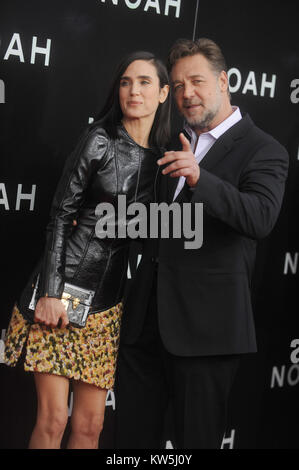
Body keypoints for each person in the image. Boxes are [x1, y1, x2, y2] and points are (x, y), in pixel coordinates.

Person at [114, 38, 289, 449]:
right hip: (145, 326)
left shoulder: (265, 149)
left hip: (207, 333)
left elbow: (259, 217)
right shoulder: (169, 141)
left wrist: (199, 178)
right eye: (176, 86)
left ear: (224, 81)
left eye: (196, 81)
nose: (186, 94)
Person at [4, 51, 170, 449]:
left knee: (91, 426)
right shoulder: (99, 139)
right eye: (126, 81)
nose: (134, 90)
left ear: (164, 93)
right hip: (64, 292)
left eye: (145, 82)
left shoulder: (163, 161)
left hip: (108, 306)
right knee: (53, 420)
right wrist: (49, 292)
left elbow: (154, 229)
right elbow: (61, 216)